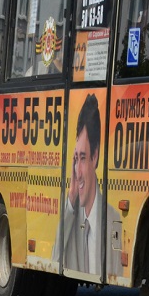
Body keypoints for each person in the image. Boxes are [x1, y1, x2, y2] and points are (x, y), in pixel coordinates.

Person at [54, 93, 121, 276]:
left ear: (95, 156)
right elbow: (54, 262)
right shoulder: (71, 217)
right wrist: (70, 198)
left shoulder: (114, 221)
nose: (77, 171)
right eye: (75, 159)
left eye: (82, 158)